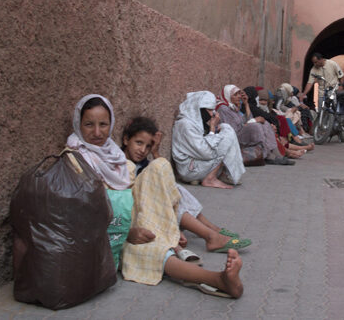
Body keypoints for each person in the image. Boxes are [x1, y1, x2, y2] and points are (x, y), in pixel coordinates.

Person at [66, 94, 244, 298]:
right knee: (146, 249)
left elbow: (138, 192)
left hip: (136, 218)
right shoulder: (75, 157)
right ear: (78, 124)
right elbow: (87, 208)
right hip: (111, 230)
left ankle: (192, 245)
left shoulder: (112, 153)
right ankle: (215, 279)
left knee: (159, 167)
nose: (97, 132)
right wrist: (127, 232)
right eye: (89, 124)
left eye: (103, 124)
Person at [121, 116, 251, 257]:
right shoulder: (121, 163)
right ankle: (211, 236)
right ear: (126, 140)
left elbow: (165, 175)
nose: (142, 150)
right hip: (138, 210)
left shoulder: (142, 163)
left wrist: (155, 152)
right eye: (138, 143)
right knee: (170, 192)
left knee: (176, 188)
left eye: (147, 147)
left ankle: (212, 229)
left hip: (153, 205)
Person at [172, 91, 245, 189]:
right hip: (190, 169)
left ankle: (224, 173)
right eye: (210, 110)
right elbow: (205, 152)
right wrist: (212, 129)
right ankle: (210, 178)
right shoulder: (186, 125)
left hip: (197, 162)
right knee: (227, 135)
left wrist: (214, 130)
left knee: (225, 128)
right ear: (199, 109)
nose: (212, 114)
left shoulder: (194, 121)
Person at [217, 85, 295, 166]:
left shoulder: (234, 107)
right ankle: (267, 155)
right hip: (233, 138)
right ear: (228, 96)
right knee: (255, 126)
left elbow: (246, 120)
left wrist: (246, 104)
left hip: (240, 134)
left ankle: (277, 155)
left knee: (265, 123)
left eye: (239, 94)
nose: (239, 97)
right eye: (235, 95)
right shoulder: (224, 109)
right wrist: (254, 121)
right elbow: (232, 130)